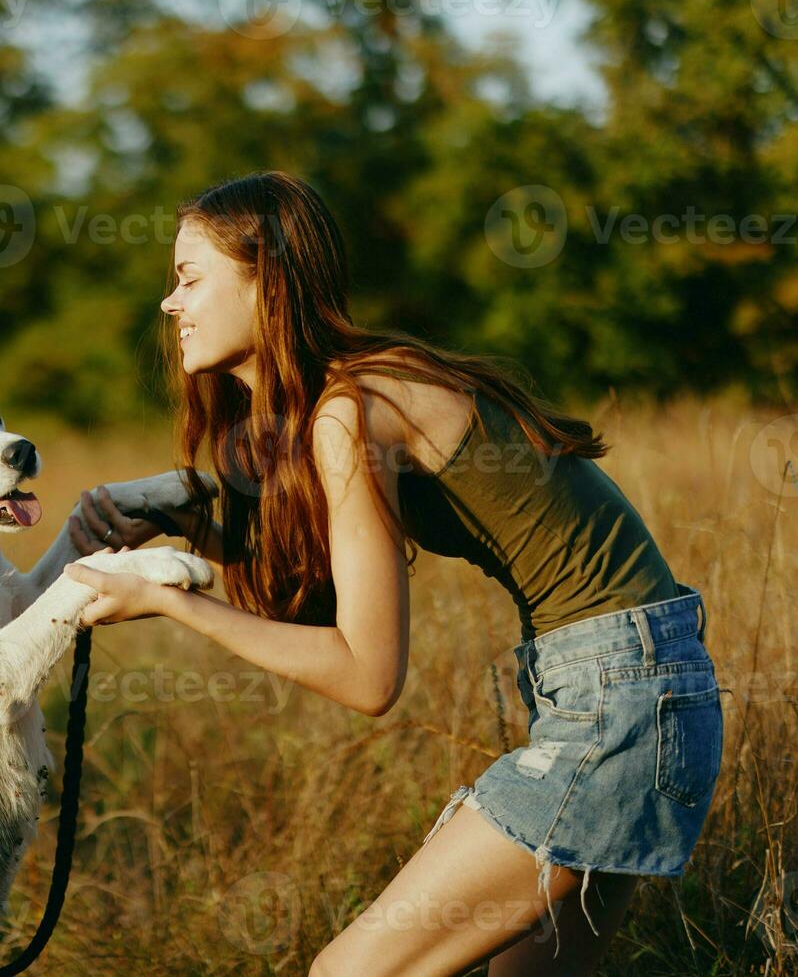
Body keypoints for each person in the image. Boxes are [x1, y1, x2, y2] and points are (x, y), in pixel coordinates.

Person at [61, 171, 724, 976]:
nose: (170, 303)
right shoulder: (352, 399)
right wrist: (177, 517)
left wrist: (169, 600)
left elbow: (368, 675)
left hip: (618, 703)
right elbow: (301, 557)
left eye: (189, 278)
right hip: (640, 690)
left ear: (267, 285)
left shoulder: (353, 409)